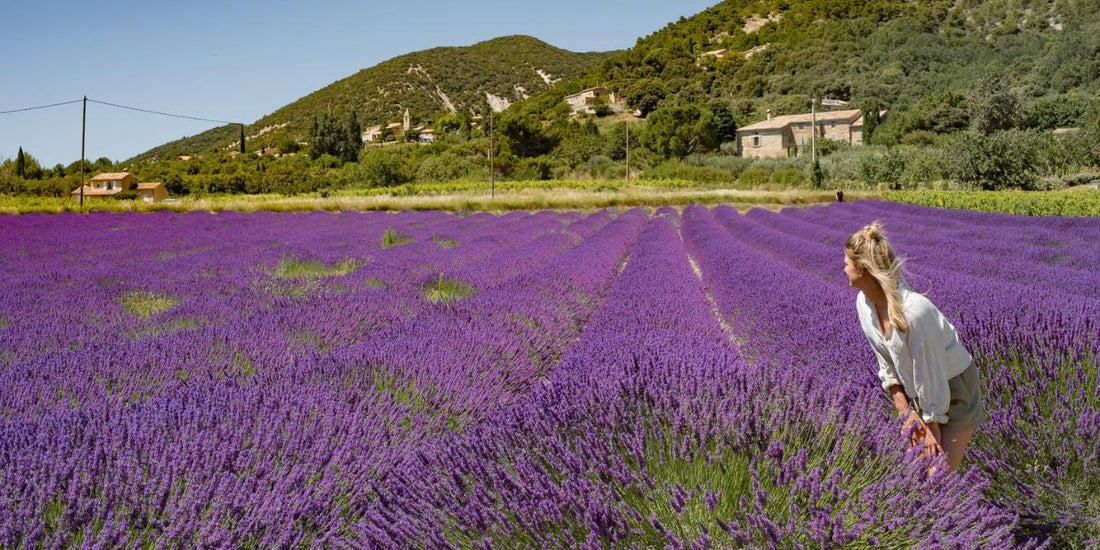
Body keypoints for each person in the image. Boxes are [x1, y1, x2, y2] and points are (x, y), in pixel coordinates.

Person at [843, 222, 985, 472]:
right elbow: (885, 362)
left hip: (954, 390)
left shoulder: (914, 313)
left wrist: (931, 428)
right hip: (920, 391)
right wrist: (904, 409)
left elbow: (930, 377)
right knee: (917, 472)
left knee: (937, 476)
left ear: (862, 269)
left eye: (846, 263)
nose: (843, 268)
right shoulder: (864, 304)